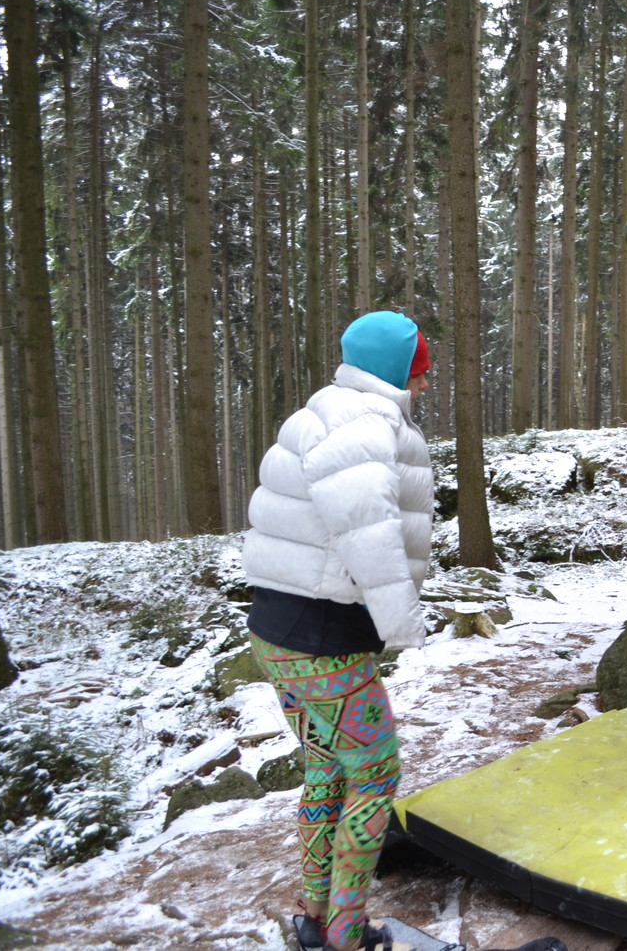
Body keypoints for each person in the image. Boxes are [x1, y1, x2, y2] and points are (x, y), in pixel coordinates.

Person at [241, 311, 434, 951]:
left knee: (326, 769)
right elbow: (367, 529)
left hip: (279, 631)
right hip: (324, 641)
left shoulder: (322, 410)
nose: (424, 382)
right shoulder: (367, 423)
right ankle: (348, 934)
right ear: (394, 368)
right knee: (375, 773)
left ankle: (315, 916)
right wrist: (402, 623)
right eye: (418, 369)